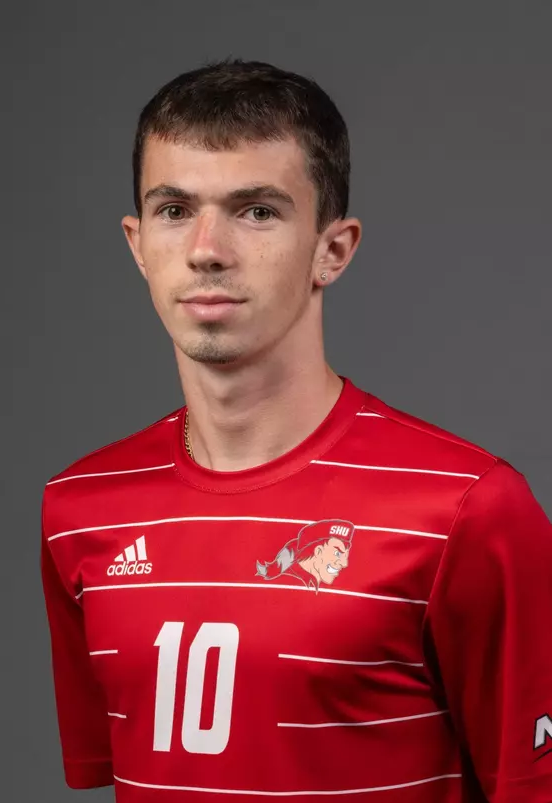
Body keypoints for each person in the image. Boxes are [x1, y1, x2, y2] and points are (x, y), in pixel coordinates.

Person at [40, 58, 552, 802]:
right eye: (174, 209)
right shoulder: (80, 506)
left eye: (256, 210)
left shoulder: (466, 509)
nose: (207, 248)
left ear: (332, 249)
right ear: (136, 243)